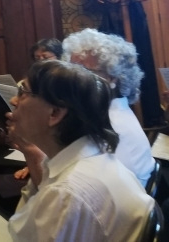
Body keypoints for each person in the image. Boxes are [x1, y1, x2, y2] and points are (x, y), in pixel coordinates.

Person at [6, 60, 154, 241]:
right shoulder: (89, 157)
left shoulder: (67, 193)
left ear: (55, 113)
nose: (13, 101)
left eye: (23, 92)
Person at [62, 28, 155, 187]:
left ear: (112, 78)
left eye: (84, 71)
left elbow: (81, 186)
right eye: (70, 71)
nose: (72, 80)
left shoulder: (109, 122)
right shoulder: (111, 110)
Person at [12, 37, 63, 180]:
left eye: (45, 57)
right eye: (37, 58)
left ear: (59, 57)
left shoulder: (63, 83)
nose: (40, 61)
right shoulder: (34, 79)